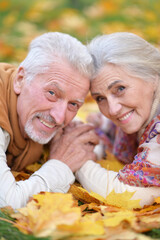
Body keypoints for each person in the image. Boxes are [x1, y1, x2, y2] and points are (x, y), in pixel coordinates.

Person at [0, 32, 99, 209]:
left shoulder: (27, 112)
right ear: (21, 80)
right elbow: (7, 203)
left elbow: (79, 144)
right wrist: (61, 166)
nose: (59, 117)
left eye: (73, 104)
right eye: (52, 93)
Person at [75, 32, 160, 208]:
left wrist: (76, 160)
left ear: (152, 76)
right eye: (100, 98)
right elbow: (104, 133)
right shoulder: (142, 109)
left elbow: (127, 195)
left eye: (119, 88)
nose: (112, 109)